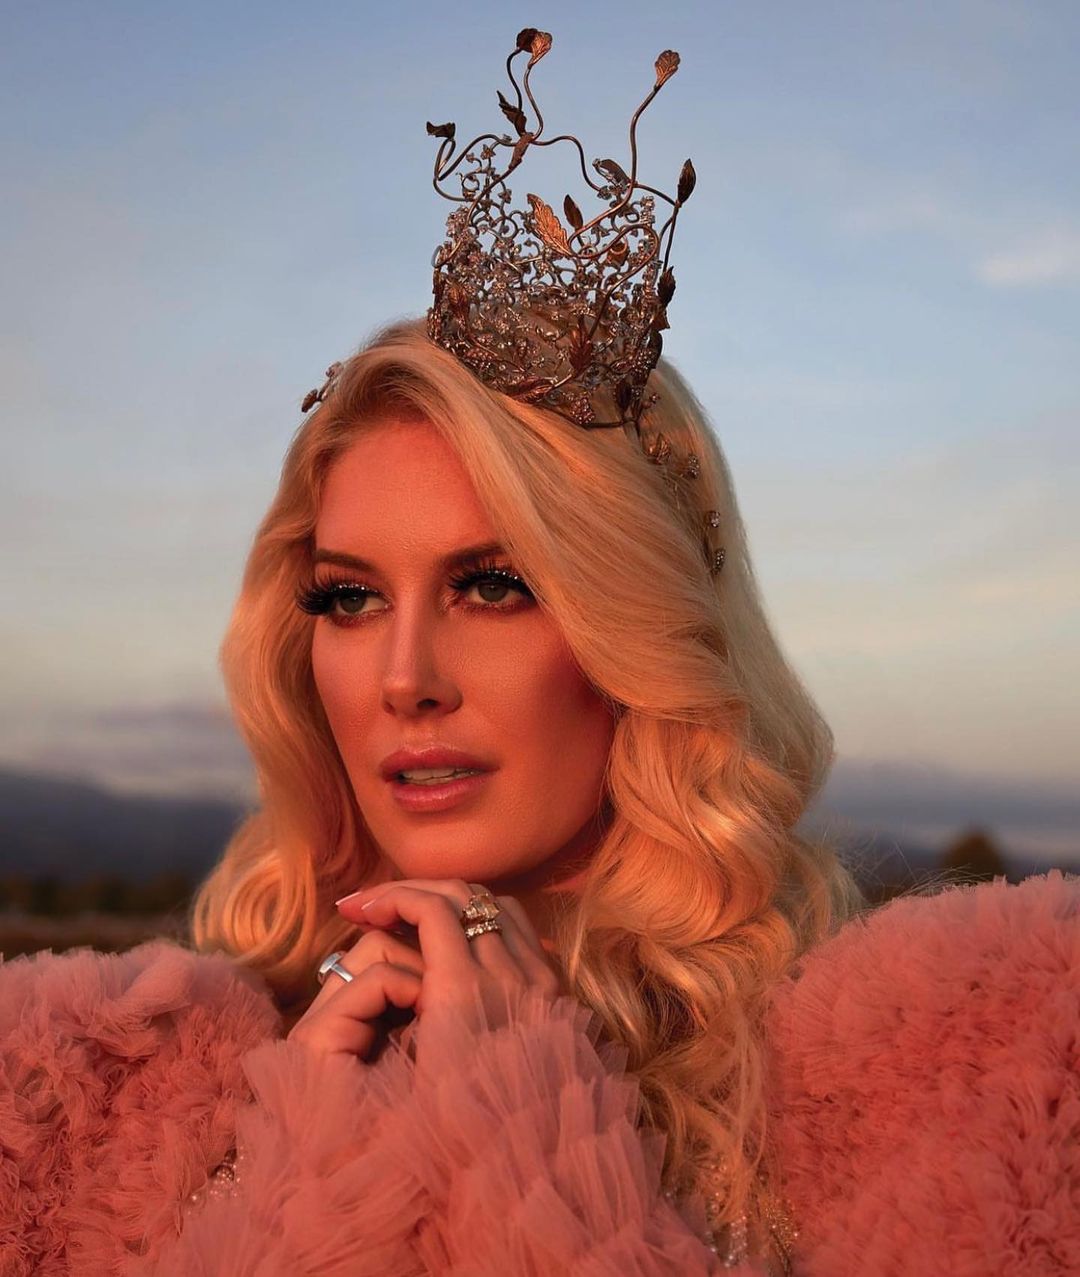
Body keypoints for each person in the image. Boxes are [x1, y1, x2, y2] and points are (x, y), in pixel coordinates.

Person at [1, 28, 1076, 1277]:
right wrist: (284, 1178)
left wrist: (541, 1151)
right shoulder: (94, 1108)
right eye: (350, 597)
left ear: (642, 629)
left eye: (495, 584)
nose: (405, 677)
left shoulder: (943, 1086)